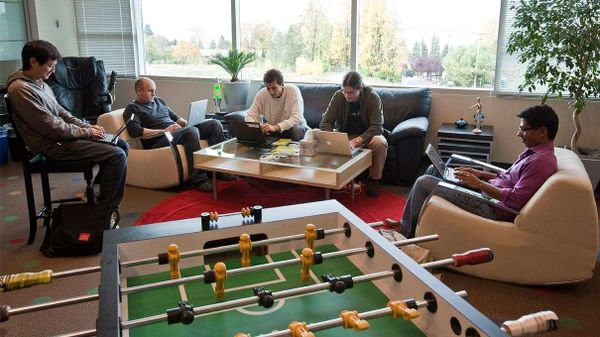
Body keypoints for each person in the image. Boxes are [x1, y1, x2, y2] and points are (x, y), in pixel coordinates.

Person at [388, 104, 559, 238]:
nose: (519, 133)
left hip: (492, 207)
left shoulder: (541, 162)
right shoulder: (534, 152)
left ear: (542, 132)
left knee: (423, 182)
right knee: (434, 168)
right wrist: (480, 174)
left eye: (523, 129)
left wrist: (478, 184)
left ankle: (405, 233)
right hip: (487, 193)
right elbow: (508, 177)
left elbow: (515, 200)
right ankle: (406, 222)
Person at [7, 40, 128, 224]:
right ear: (33, 62)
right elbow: (52, 127)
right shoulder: (20, 89)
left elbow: (62, 113)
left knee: (120, 143)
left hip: (61, 139)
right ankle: (104, 214)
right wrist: (86, 133)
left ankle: (97, 194)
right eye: (50, 66)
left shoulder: (40, 83)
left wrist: (87, 127)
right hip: (51, 146)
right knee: (116, 155)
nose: (53, 71)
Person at [123, 77, 232, 192]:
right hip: (160, 139)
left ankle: (219, 171)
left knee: (214, 124)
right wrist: (164, 131)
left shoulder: (159, 101)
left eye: (154, 90)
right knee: (191, 131)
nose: (154, 94)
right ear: (139, 91)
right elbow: (135, 131)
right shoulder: (132, 109)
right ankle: (199, 180)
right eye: (150, 91)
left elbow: (176, 118)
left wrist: (190, 122)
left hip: (175, 132)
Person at [319, 71, 388, 197]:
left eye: (350, 92)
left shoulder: (372, 97)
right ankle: (329, 178)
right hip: (345, 134)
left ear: (360, 88)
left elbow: (377, 127)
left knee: (380, 142)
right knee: (317, 134)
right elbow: (326, 121)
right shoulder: (338, 96)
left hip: (368, 136)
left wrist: (357, 141)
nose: (346, 96)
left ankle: (374, 180)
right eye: (344, 91)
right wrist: (331, 137)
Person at [245, 69, 308, 141]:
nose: (271, 92)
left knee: (297, 130)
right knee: (252, 131)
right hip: (273, 130)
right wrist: (258, 128)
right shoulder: (262, 93)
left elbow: (297, 117)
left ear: (282, 85)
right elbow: (250, 115)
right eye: (268, 88)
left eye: (274, 88)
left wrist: (275, 127)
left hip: (294, 127)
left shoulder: (293, 90)